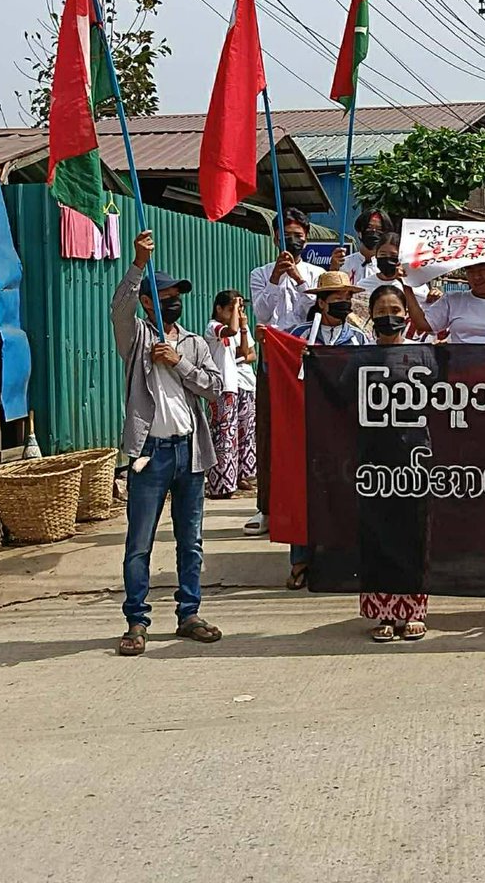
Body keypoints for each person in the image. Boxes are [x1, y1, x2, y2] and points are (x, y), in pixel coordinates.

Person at [111, 229, 224, 657]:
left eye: (177, 294)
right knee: (139, 542)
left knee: (190, 540)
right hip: (148, 455)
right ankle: (137, 620)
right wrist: (138, 263)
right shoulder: (137, 338)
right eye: (164, 294)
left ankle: (189, 613)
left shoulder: (194, 343)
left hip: (190, 452)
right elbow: (119, 309)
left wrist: (179, 365)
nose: (172, 300)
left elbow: (214, 388)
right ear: (148, 300)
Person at [245, 209, 344, 538]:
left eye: (300, 235)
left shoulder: (317, 275)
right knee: (270, 431)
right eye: (288, 235)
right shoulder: (260, 273)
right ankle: (266, 508)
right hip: (274, 360)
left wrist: (301, 281)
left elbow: (316, 309)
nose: (295, 240)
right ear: (275, 238)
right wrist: (276, 277)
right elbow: (261, 311)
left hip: (308, 358)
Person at [286, 270, 373, 589]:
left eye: (347, 300)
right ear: (321, 303)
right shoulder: (298, 335)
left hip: (347, 428)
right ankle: (301, 561)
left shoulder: (359, 338)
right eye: (337, 300)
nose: (343, 305)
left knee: (347, 491)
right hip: (308, 426)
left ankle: (345, 559)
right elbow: (276, 369)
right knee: (305, 494)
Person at [359, 284, 432, 642]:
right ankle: (383, 612)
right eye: (382, 309)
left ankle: (414, 609)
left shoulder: (423, 355)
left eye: (396, 309)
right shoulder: (359, 357)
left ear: (406, 314)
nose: (389, 316)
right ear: (371, 315)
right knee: (377, 530)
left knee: (413, 530)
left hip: (415, 457)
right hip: (373, 458)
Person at [405, 246, 485, 344]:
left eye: (482, 270)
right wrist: (406, 283)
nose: (477, 277)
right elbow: (423, 324)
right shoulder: (452, 299)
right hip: (461, 367)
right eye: (471, 272)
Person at [204, 290, 257, 500]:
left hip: (232, 385)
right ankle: (221, 485)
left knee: (234, 435)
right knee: (222, 436)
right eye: (231, 309)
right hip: (221, 386)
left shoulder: (230, 328)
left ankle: (232, 479)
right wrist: (237, 311)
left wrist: (244, 325)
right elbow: (232, 331)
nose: (237, 312)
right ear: (219, 309)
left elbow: (246, 353)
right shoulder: (213, 327)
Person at [342, 209, 394, 286]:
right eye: (369, 227)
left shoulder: (388, 267)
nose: (373, 231)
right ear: (360, 232)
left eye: (379, 229)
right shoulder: (345, 264)